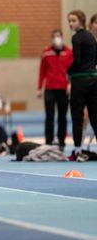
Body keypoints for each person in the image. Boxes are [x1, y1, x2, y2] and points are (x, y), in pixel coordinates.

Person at [66, 10, 97, 161]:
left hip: (80, 80)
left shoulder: (76, 37)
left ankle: (77, 150)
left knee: (77, 115)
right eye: (69, 21)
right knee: (95, 114)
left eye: (73, 21)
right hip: (93, 78)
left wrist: (68, 72)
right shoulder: (91, 37)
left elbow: (77, 61)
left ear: (81, 21)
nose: (71, 24)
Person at [37, 29, 73, 148]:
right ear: (52, 39)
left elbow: (72, 70)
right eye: (54, 37)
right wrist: (39, 88)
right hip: (50, 88)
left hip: (63, 88)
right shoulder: (46, 52)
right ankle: (48, 141)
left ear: (62, 38)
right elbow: (42, 71)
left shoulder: (68, 52)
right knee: (49, 116)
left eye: (59, 36)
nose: (56, 39)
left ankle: (61, 141)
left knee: (62, 116)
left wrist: (70, 84)